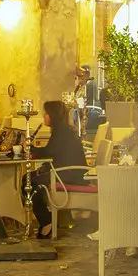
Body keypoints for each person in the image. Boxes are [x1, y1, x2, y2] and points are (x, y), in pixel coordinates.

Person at [24, 99, 89, 239]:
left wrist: (30, 148)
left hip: (68, 174)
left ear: (53, 115)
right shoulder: (62, 130)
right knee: (29, 178)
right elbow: (55, 153)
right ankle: (47, 219)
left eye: (46, 113)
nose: (44, 117)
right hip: (66, 171)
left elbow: (49, 152)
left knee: (30, 181)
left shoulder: (62, 132)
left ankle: (46, 222)